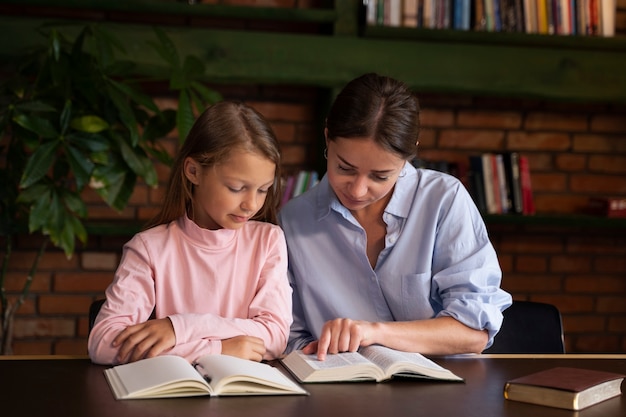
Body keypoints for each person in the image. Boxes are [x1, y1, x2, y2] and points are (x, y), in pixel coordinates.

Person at [278, 73, 512, 360]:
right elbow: (291, 335)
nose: (358, 190)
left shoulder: (443, 200)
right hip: (343, 391)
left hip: (447, 390)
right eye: (345, 168)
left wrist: (374, 333)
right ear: (327, 136)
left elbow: (473, 331)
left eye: (380, 176)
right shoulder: (294, 220)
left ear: (409, 154)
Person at [88, 101, 292, 365]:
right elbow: (103, 343)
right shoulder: (150, 248)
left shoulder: (268, 241)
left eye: (263, 189)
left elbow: (274, 336)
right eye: (236, 187)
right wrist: (218, 351)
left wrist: (179, 328)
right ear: (193, 171)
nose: (251, 204)